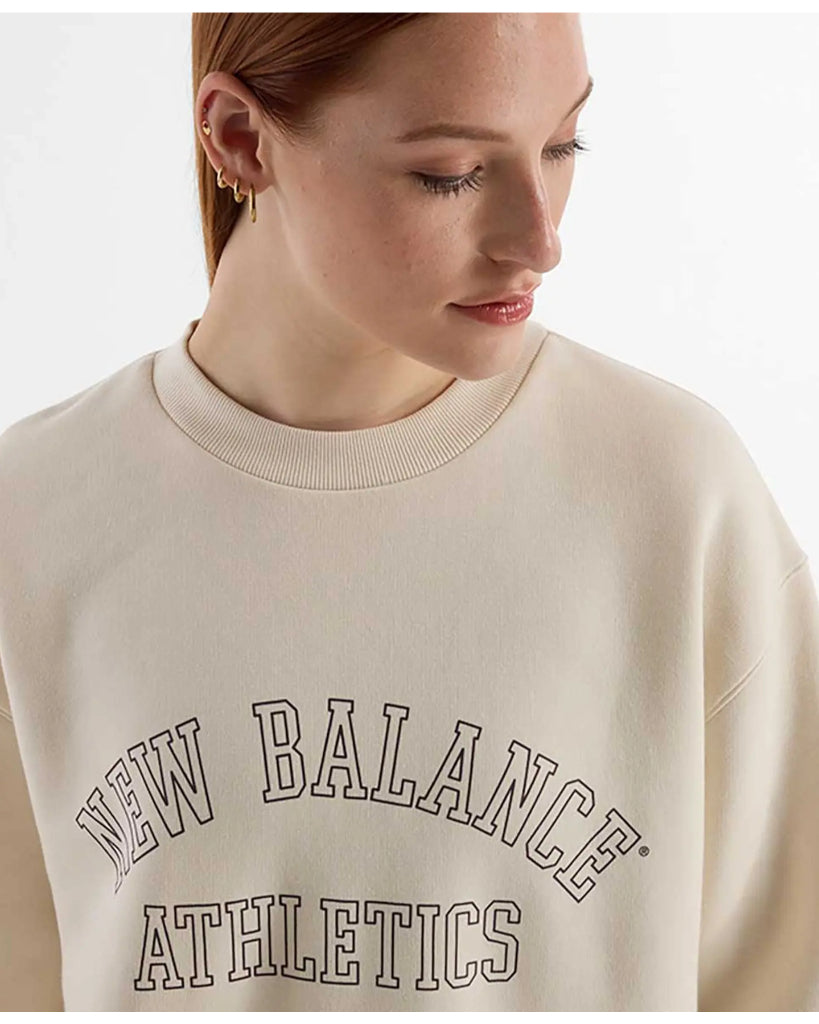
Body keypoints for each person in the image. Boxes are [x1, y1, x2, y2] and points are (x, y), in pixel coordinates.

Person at [0, 12, 817, 1013]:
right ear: (241, 139)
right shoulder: (31, 520)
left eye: (563, 145)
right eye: (452, 174)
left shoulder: (674, 499)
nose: (542, 240)